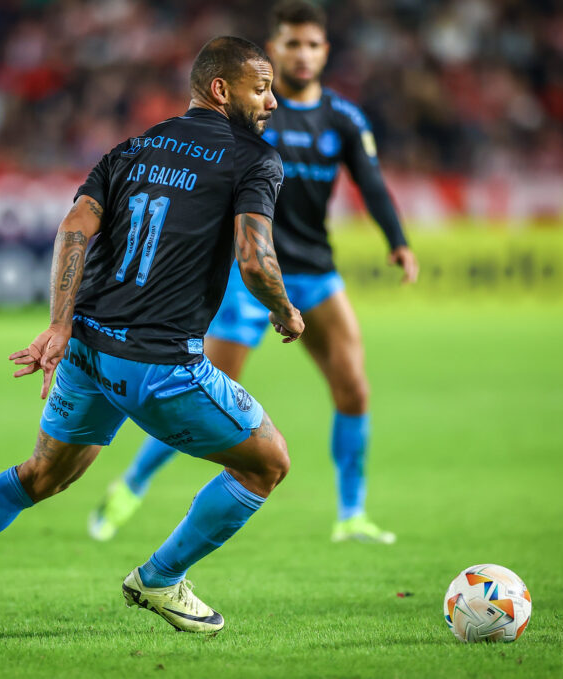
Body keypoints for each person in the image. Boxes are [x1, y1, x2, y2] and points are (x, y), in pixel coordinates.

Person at [0, 36, 304, 635]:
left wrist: (59, 323)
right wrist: (285, 310)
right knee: (267, 463)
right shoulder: (254, 158)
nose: (273, 101)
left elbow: (74, 227)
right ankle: (160, 578)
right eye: (262, 87)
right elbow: (255, 261)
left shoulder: (131, 149)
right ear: (221, 89)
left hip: (88, 352)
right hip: (160, 365)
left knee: (42, 475)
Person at [89, 0, 419, 545]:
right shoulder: (252, 111)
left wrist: (399, 241)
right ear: (276, 47)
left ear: (325, 51)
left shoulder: (343, 118)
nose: (303, 54)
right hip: (250, 273)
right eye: (292, 44)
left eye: (313, 44)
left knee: (354, 388)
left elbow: (373, 182)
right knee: (203, 395)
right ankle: (132, 485)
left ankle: (352, 514)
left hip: (314, 269)